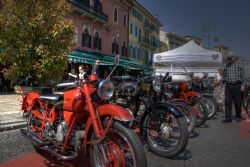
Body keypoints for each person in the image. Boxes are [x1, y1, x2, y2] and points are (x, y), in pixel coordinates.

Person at [222, 55, 246, 123]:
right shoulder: (226, 65)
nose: (229, 59)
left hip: (237, 86)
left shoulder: (239, 65)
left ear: (234, 58)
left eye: (230, 58)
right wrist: (223, 79)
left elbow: (244, 76)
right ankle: (228, 117)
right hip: (228, 86)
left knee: (238, 103)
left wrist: (243, 85)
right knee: (227, 102)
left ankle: (238, 116)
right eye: (228, 58)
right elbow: (224, 75)